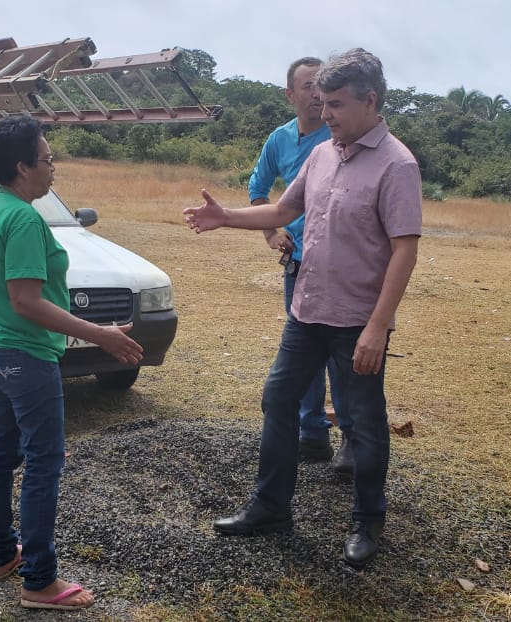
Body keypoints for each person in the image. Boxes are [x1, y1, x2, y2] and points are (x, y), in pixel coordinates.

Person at [183, 48, 421, 569]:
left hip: (358, 319)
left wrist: (378, 327)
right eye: (321, 101)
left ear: (371, 100)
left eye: (335, 103)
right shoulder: (322, 154)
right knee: (278, 398)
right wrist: (227, 217)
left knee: (363, 420)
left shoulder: (397, 165)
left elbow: (405, 248)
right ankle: (270, 508)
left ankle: (367, 519)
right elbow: (286, 209)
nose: (325, 112)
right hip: (307, 310)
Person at [0, 116, 143, 610]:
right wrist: (99, 335)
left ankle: (4, 554)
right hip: (22, 355)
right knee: (45, 462)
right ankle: (39, 581)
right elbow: (25, 300)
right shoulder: (23, 218)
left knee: (2, 453)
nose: (53, 168)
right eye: (47, 159)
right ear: (22, 167)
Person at [248, 56, 349, 467]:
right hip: (298, 263)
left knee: (341, 355)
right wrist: (271, 232)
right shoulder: (280, 139)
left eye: (320, 86)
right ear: (290, 94)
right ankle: (312, 434)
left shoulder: (339, 136)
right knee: (304, 355)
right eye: (306, 86)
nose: (315, 94)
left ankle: (352, 440)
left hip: (339, 265)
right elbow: (258, 188)